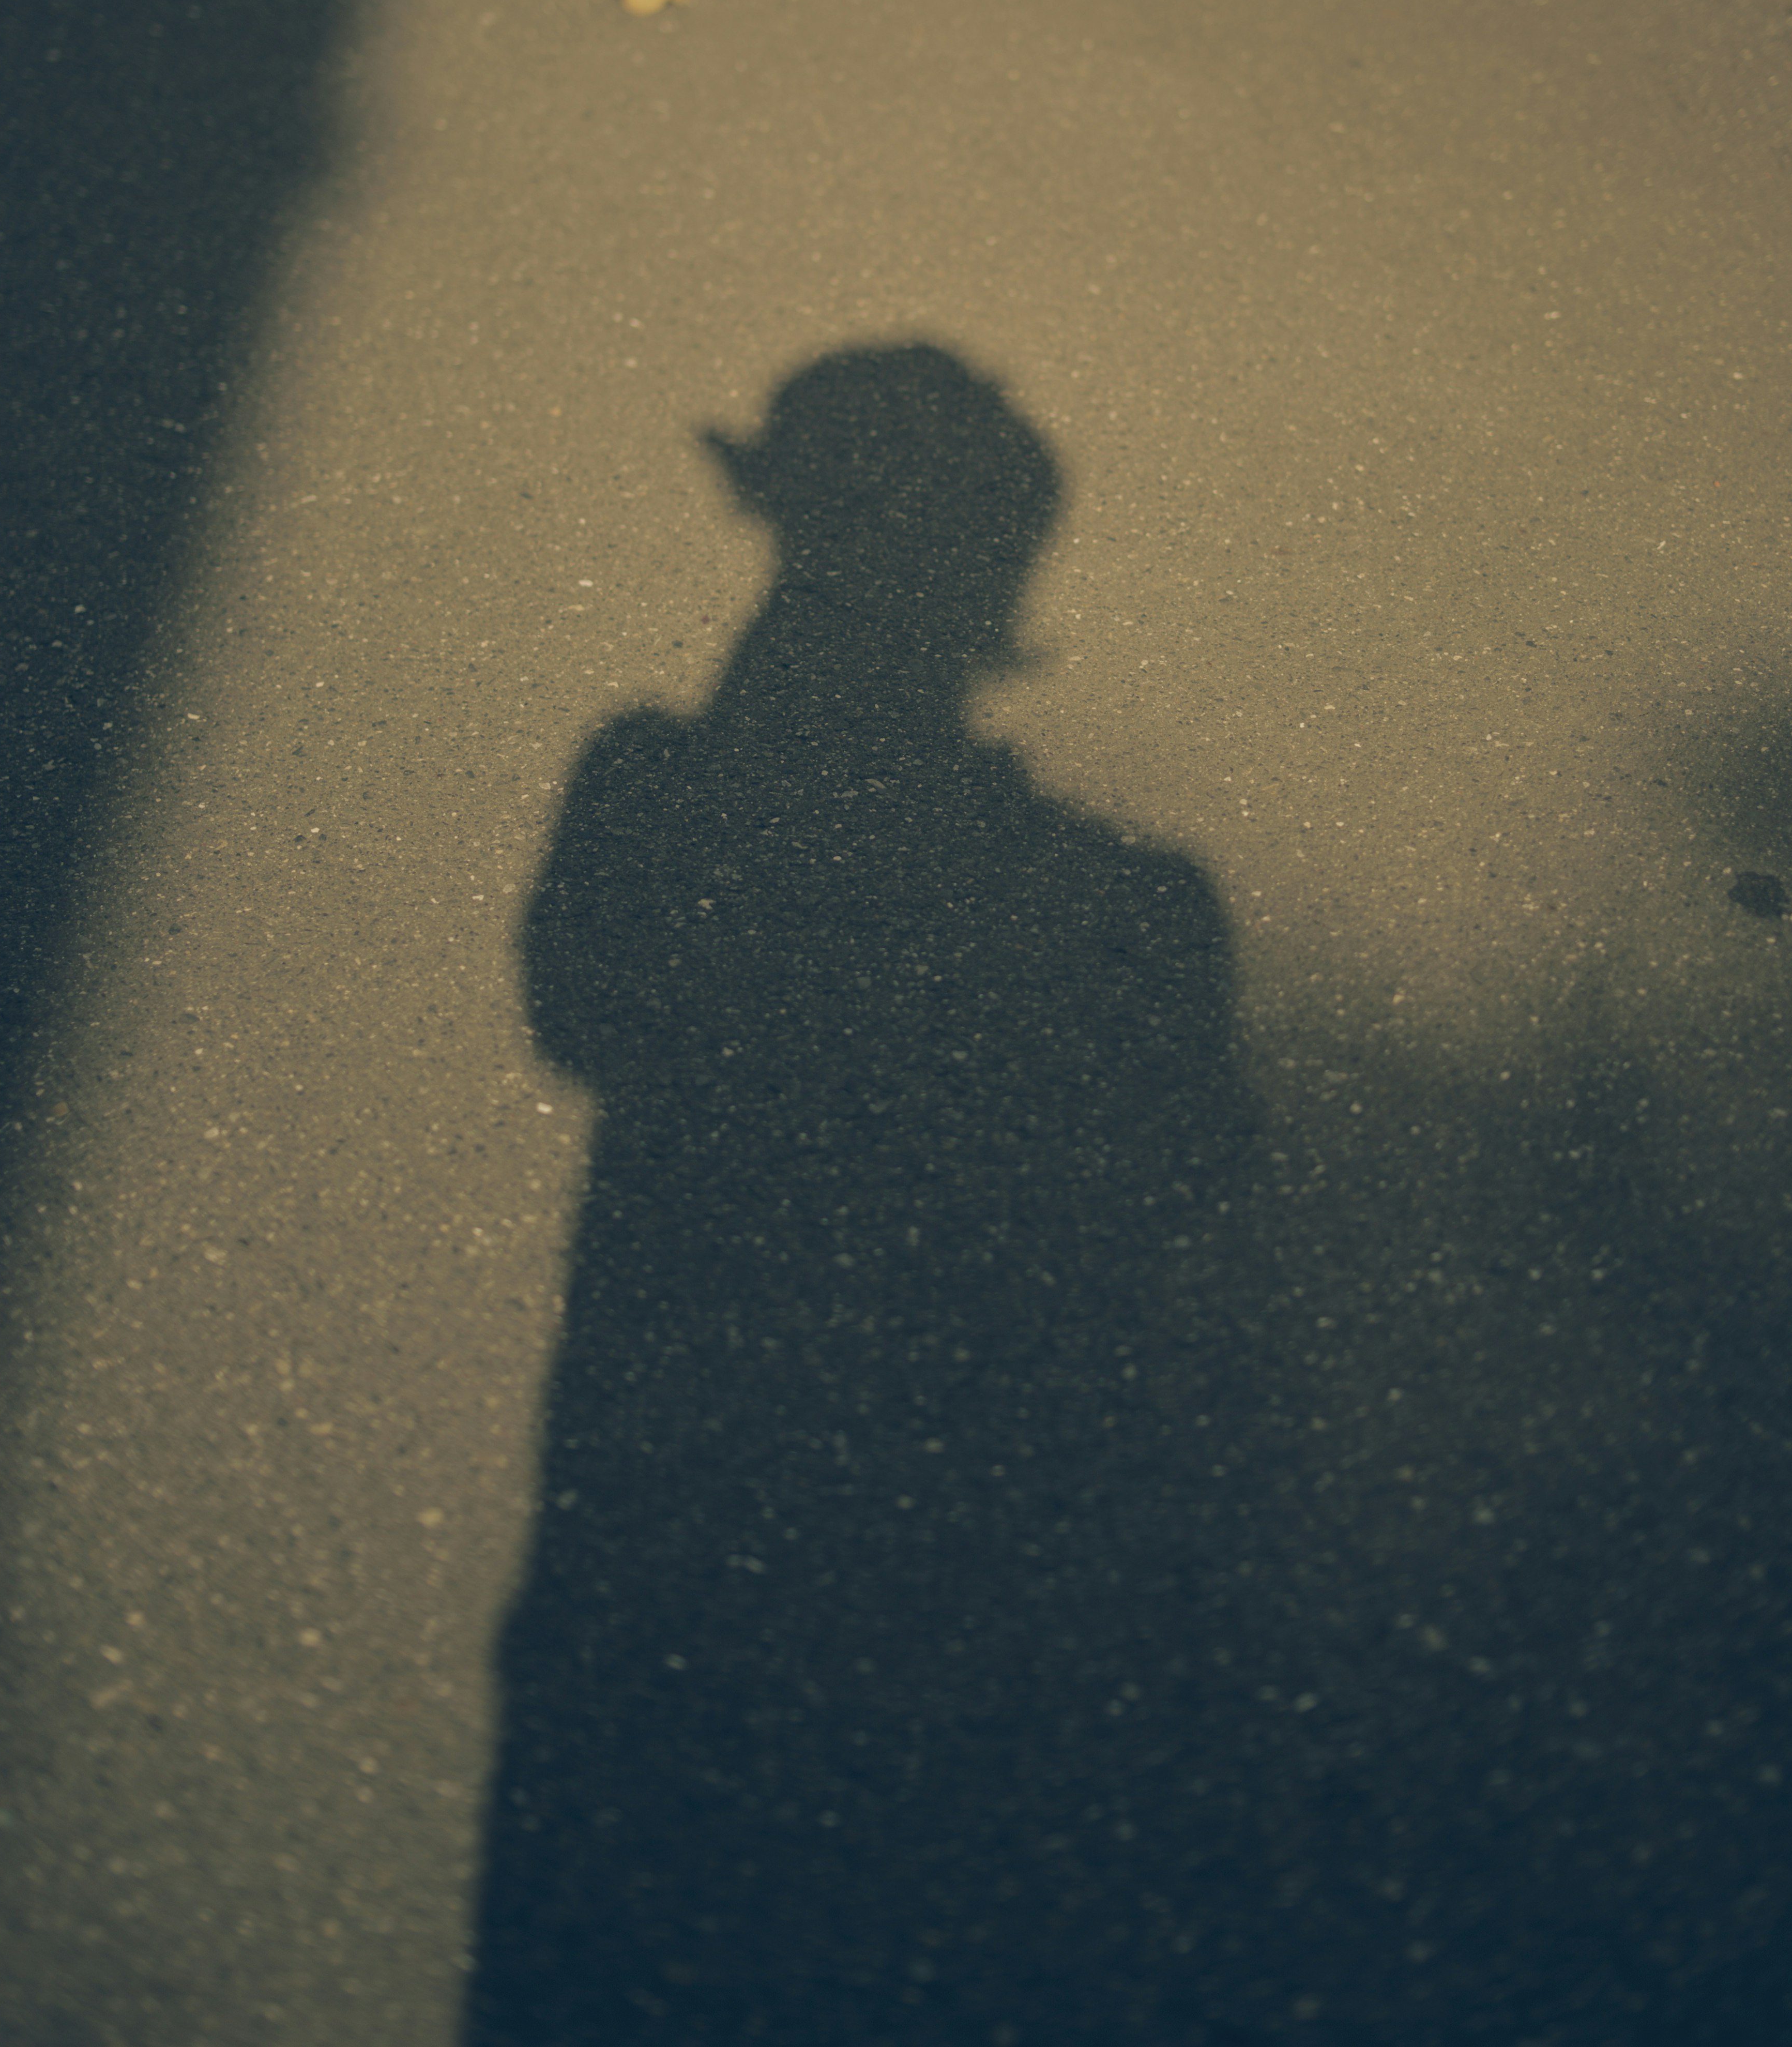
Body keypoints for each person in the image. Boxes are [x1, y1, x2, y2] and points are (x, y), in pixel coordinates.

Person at [466, 346, 1277, 2044]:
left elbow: (595, 1003)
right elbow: (1207, 1284)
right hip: (945, 1650)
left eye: (806, 545)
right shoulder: (1124, 922)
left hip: (656, 1601)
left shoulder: (654, 801)